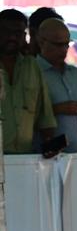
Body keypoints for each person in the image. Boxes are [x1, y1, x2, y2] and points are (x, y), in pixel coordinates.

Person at [1, 9, 63, 156]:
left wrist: (50, 145)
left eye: (17, 33)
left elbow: (45, 116)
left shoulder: (32, 66)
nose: (12, 37)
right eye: (5, 32)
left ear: (24, 36)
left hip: (25, 158)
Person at [36, 18, 77, 153]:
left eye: (67, 44)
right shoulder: (33, 73)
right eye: (58, 44)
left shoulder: (76, 74)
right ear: (41, 42)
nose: (64, 49)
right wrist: (58, 109)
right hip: (49, 159)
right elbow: (24, 117)